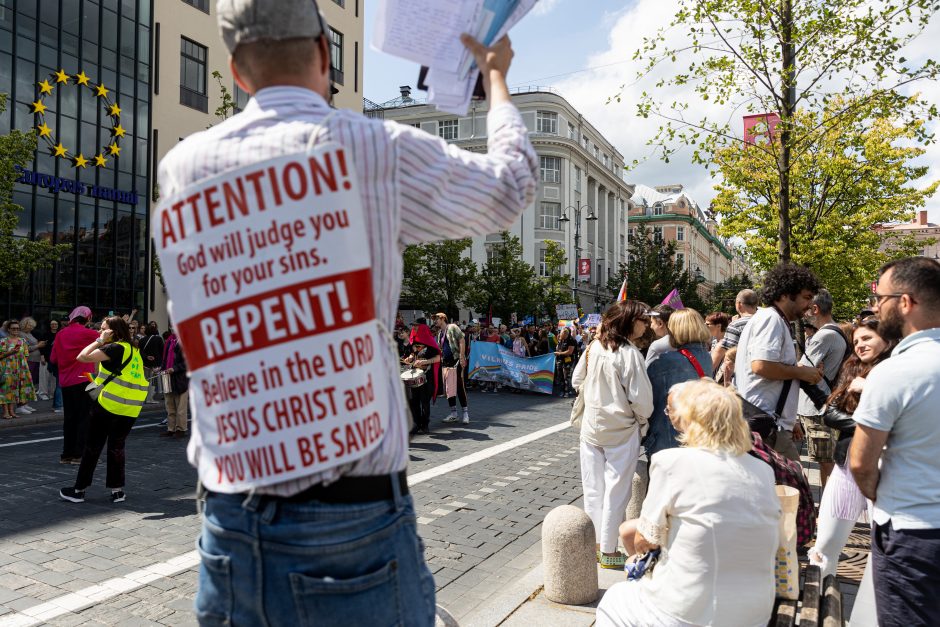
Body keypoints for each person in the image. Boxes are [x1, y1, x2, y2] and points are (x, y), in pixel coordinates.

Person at [155, 2, 537, 622]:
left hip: (227, 512)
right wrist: (494, 79)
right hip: (348, 518)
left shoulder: (182, 167)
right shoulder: (370, 147)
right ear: (326, 55)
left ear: (236, 71)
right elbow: (509, 185)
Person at [598, 380, 779, 627]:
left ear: (694, 422)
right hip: (755, 614)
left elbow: (644, 540)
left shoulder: (672, 462)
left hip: (689, 612)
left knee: (614, 600)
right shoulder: (763, 471)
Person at [849, 256, 940, 626]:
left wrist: (882, 495)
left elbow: (861, 463)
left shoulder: (895, 372)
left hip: (911, 533)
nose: (875, 306)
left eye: (880, 297)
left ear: (905, 303)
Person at [808, 317, 894, 580]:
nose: (860, 345)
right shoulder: (852, 367)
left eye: (867, 338)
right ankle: (820, 595)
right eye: (856, 340)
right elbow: (830, 413)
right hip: (847, 464)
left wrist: (869, 388)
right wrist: (869, 425)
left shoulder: (897, 370)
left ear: (887, 339)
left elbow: (900, 417)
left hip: (886, 468)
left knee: (887, 550)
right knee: (825, 544)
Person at [571, 300, 653, 570]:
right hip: (621, 429)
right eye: (642, 319)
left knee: (593, 488)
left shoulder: (594, 347)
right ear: (630, 321)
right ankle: (608, 549)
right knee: (617, 491)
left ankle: (594, 544)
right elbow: (643, 402)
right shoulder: (630, 355)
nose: (647, 324)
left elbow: (576, 381)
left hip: (592, 427)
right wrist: (640, 421)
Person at [735, 263, 823, 462]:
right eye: (806, 297)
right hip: (766, 426)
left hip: (767, 422)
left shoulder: (773, 319)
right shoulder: (771, 319)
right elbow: (761, 365)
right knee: (795, 487)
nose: (810, 305)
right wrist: (800, 373)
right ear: (785, 294)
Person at [59, 316, 148, 504]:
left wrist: (98, 341)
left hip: (108, 406)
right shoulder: (133, 349)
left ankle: (79, 490)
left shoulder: (113, 348)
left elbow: (81, 357)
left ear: (112, 332)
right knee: (117, 448)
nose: (100, 331)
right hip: (130, 408)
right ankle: (117, 492)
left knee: (92, 448)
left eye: (103, 329)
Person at [797, 288, 849, 488]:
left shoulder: (823, 336)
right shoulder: (837, 332)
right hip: (824, 402)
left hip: (816, 406)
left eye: (807, 307)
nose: (804, 311)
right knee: (827, 459)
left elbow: (802, 367)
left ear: (815, 309)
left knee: (826, 461)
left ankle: (829, 506)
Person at [644, 309, 712, 459]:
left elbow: (646, 398)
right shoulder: (706, 357)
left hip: (668, 439)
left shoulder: (665, 361)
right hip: (698, 435)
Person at [49, 306, 98, 464]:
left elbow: (53, 359)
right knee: (85, 417)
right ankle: (79, 454)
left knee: (69, 418)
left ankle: (67, 454)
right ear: (88, 318)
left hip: (66, 381)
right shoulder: (89, 333)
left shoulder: (61, 334)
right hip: (84, 378)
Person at [710, 288, 758, 373]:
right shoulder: (765, 321)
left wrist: (705, 374)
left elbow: (724, 354)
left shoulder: (735, 325)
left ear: (739, 304)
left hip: (740, 375)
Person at [433, 313, 470, 424]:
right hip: (446, 363)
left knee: (459, 386)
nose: (435, 321)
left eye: (436, 319)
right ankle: (454, 414)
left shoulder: (452, 327)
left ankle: (465, 413)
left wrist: (462, 356)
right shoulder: (440, 333)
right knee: (449, 389)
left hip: (456, 361)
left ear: (443, 318)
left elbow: (462, 340)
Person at [0, 320, 36, 419]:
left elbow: (26, 355)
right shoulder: (3, 341)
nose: (16, 330)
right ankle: (5, 412)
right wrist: (10, 353)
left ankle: (12, 411)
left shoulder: (22, 341)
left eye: (17, 328)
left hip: (19, 369)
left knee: (14, 390)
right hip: (6, 369)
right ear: (8, 329)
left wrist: (23, 368)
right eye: (13, 328)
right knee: (5, 391)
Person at [160, 330, 190, 439]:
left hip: (180, 378)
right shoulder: (170, 340)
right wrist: (161, 368)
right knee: (169, 405)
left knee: (180, 406)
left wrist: (175, 368)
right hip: (167, 376)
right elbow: (165, 358)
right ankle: (171, 428)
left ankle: (181, 429)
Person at [39, 319, 63, 412]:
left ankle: (53, 394)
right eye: (52, 324)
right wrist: (42, 356)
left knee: (55, 379)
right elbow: (42, 346)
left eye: (55, 324)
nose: (54, 325)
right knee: (44, 377)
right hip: (46, 358)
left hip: (56, 360)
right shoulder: (45, 334)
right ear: (49, 325)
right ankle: (43, 393)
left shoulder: (60, 333)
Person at [20, 317, 45, 408]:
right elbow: (25, 349)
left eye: (32, 326)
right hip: (29, 360)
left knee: (31, 383)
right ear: (24, 324)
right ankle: (21, 404)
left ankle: (26, 403)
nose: (31, 328)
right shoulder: (21, 334)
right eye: (29, 325)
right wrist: (38, 345)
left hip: (35, 360)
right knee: (25, 383)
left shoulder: (29, 333)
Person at [139, 322, 164, 404]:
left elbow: (139, 352)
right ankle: (150, 398)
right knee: (153, 381)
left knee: (146, 380)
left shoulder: (142, 340)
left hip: (145, 364)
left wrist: (146, 357)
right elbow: (162, 352)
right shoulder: (159, 339)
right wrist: (161, 364)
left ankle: (144, 397)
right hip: (156, 364)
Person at [554, 327, 576, 397]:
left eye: (562, 335)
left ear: (566, 334)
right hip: (559, 360)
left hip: (568, 360)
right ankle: (562, 390)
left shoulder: (571, 340)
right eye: (560, 334)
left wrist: (559, 353)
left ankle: (567, 391)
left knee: (566, 376)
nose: (560, 336)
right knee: (560, 376)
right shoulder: (560, 339)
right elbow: (558, 348)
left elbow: (569, 352)